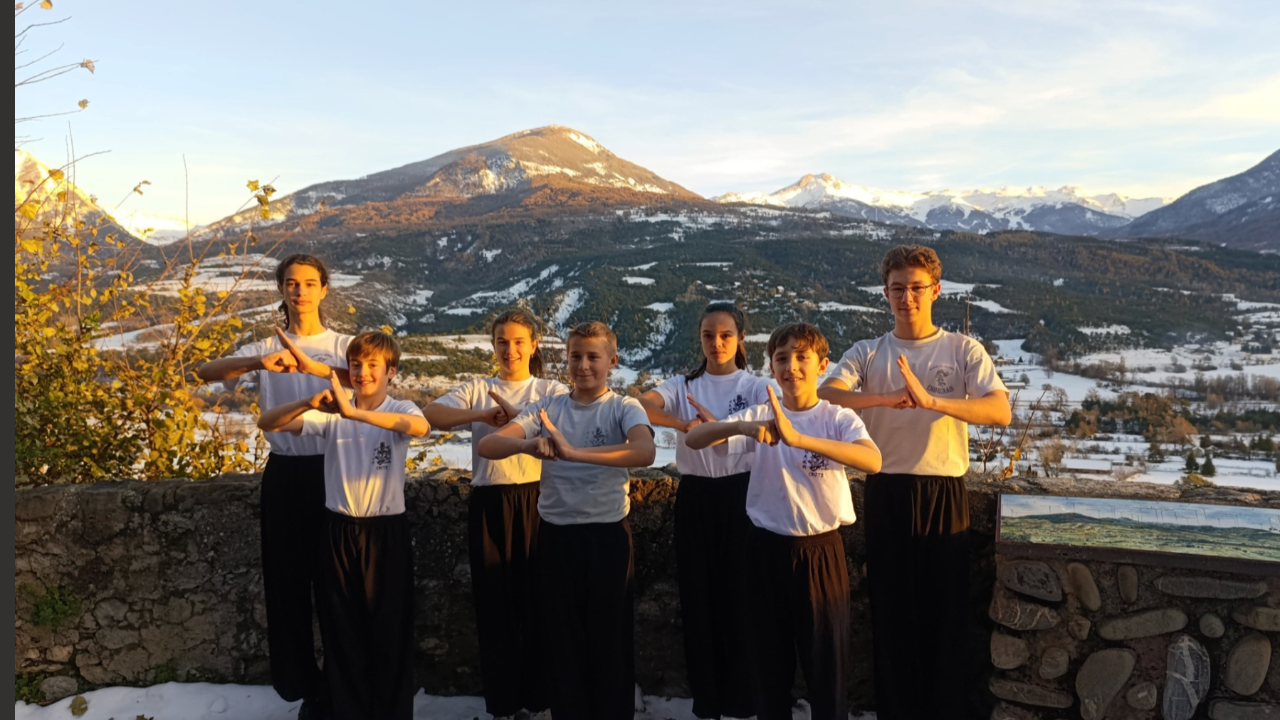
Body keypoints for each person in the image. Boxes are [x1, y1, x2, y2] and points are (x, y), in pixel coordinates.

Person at [818, 245, 1010, 720]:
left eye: (916, 288)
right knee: (892, 613)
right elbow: (828, 392)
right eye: (897, 289)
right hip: (887, 492)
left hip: (944, 492)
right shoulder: (869, 352)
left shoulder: (962, 349)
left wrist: (932, 401)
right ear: (886, 294)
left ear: (936, 291)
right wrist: (884, 398)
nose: (907, 297)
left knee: (945, 616)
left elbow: (999, 411)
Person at [686, 322, 881, 720]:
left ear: (822, 364)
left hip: (820, 552)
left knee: (827, 665)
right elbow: (695, 439)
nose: (791, 366)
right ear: (771, 367)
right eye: (781, 358)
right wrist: (741, 426)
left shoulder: (836, 417)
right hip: (764, 550)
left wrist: (800, 439)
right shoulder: (761, 414)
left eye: (801, 357)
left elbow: (872, 460)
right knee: (767, 665)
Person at [195, 254, 351, 719]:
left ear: (324, 289)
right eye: (291, 283)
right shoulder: (266, 345)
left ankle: (343, 685)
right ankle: (307, 690)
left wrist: (314, 367)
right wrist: (258, 361)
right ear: (282, 290)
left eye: (308, 283)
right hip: (285, 470)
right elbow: (205, 371)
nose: (299, 291)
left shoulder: (342, 344)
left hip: (335, 468)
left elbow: (371, 382)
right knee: (287, 585)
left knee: (337, 585)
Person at [478, 321, 655, 720]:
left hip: (607, 537)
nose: (584, 365)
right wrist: (528, 443)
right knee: (562, 639)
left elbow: (644, 451)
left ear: (612, 360)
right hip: (556, 538)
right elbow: (490, 444)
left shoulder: (624, 407)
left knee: (609, 639)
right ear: (566, 359)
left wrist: (577, 454)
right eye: (576, 356)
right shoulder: (548, 408)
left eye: (594, 357)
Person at [258, 331, 429, 720]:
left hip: (386, 533)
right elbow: (267, 422)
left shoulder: (400, 407)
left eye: (373, 366)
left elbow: (418, 429)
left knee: (390, 628)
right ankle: (348, 709)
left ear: (391, 371)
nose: (363, 373)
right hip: (338, 531)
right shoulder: (333, 414)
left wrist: (357, 414)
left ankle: (390, 711)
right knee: (341, 627)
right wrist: (308, 401)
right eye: (356, 365)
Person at [423, 309, 568, 720]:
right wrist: (482, 416)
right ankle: (503, 705)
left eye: (519, 341)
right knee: (495, 606)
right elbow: (431, 416)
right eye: (502, 341)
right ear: (493, 345)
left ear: (534, 345)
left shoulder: (549, 389)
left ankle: (539, 701)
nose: (510, 349)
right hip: (490, 501)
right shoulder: (478, 388)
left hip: (542, 500)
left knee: (540, 605)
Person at [638, 301, 770, 720]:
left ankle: (742, 699)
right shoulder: (683, 386)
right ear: (700, 339)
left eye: (725, 335)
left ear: (741, 339)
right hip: (695, 496)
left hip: (743, 496)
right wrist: (684, 425)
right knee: (698, 598)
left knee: (742, 599)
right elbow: (642, 403)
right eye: (708, 335)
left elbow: (772, 420)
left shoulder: (753, 386)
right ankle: (707, 700)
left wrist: (718, 427)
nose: (716, 343)